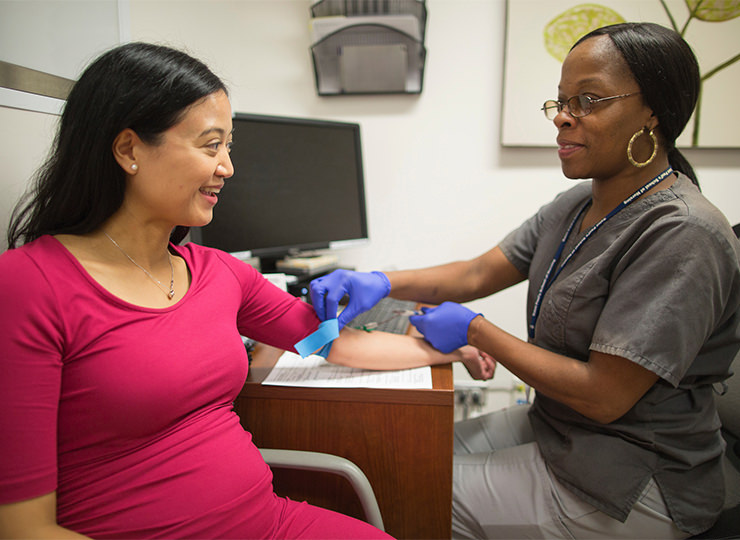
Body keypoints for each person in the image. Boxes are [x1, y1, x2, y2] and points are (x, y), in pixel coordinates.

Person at [0, 42, 495, 539]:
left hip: (270, 522)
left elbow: (332, 342)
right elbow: (24, 529)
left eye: (228, 146)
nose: (228, 168)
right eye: (210, 145)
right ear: (129, 149)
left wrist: (449, 351)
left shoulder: (219, 273)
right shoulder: (28, 286)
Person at [310, 22, 740, 539]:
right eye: (560, 101)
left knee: (392, 485)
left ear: (652, 111)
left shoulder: (683, 233)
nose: (563, 117)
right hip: (561, 428)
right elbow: (476, 273)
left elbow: (605, 396)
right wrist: (379, 279)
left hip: (634, 476)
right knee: (402, 450)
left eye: (588, 100)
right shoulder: (581, 203)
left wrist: (478, 332)